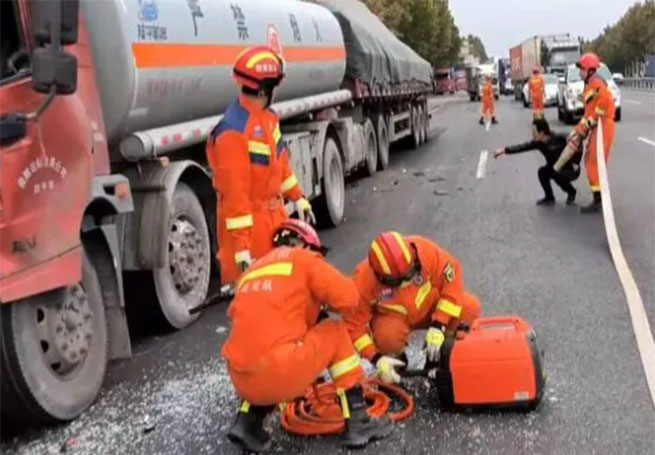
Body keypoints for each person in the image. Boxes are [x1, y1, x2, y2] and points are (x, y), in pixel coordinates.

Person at [222, 219, 394, 452]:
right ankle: (359, 421)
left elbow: (247, 321)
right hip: (279, 373)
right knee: (334, 329)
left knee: (263, 348)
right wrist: (322, 300)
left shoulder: (251, 272)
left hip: (241, 380)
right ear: (306, 245)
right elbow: (350, 299)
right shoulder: (304, 259)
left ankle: (248, 423)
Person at [206, 46, 316, 284]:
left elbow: (281, 165)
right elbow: (235, 196)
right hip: (250, 235)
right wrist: (241, 249)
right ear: (265, 89)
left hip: (274, 222)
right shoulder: (232, 132)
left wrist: (298, 197)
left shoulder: (269, 119)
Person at [343, 231, 481, 384]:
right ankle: (396, 364)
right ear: (379, 276)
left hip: (430, 306)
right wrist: (376, 358)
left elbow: (452, 278)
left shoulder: (425, 251)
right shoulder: (362, 281)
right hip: (394, 319)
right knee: (386, 337)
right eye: (397, 281)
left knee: (469, 307)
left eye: (410, 273)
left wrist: (439, 324)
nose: (406, 282)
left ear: (414, 257)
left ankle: (443, 353)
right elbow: (353, 325)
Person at [559, 52, 615, 214]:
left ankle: (598, 199)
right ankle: (598, 197)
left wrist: (590, 123)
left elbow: (603, 105)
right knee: (590, 160)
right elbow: (588, 114)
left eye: (581, 69)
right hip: (598, 126)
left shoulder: (596, 83)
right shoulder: (590, 84)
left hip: (603, 126)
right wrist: (577, 131)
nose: (579, 73)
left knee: (594, 162)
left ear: (589, 70)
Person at [493, 117, 580, 206]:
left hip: (571, 168)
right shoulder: (538, 143)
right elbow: (522, 147)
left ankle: (571, 192)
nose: (532, 134)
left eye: (534, 132)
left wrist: (576, 160)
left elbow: (577, 140)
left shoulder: (560, 137)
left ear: (541, 133)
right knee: (542, 172)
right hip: (555, 167)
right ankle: (549, 197)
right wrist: (504, 150)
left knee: (556, 172)